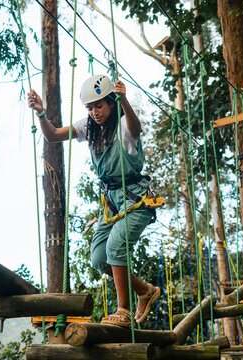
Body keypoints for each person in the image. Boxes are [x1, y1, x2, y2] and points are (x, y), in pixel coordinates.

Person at [27, 74, 160, 327]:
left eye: (99, 105)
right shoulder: (89, 126)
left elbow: (136, 127)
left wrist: (125, 101)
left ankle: (124, 310)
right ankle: (145, 291)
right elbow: (54, 135)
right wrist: (41, 114)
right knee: (100, 258)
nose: (95, 111)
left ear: (111, 103)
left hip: (135, 198)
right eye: (90, 107)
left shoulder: (123, 125)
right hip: (111, 200)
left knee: (116, 248)